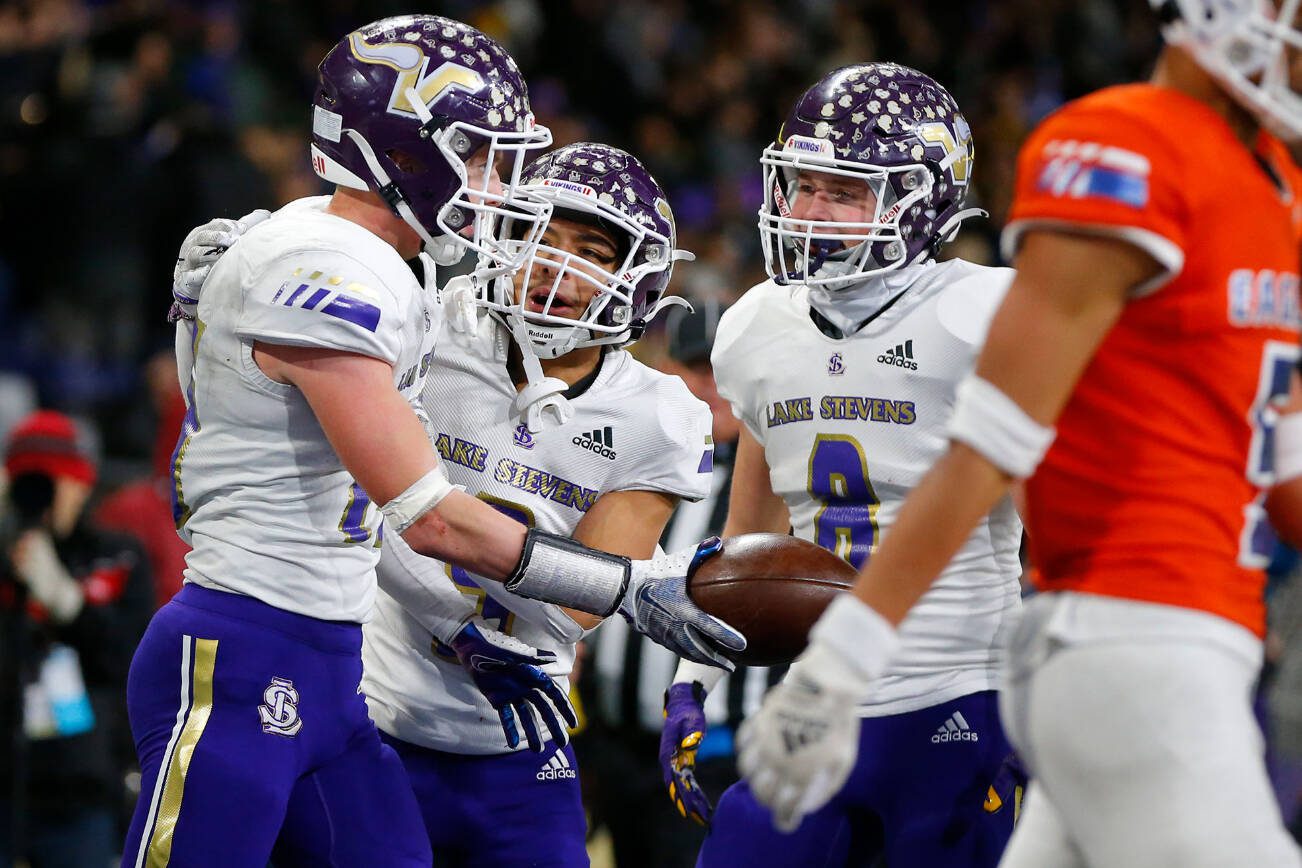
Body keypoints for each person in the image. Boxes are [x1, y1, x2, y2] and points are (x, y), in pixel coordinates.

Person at [122, 16, 742, 868]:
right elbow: (431, 520)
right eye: (482, 156)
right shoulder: (333, 277)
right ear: (407, 152)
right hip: (243, 639)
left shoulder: (379, 268)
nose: (501, 190)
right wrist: (630, 586)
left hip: (332, 663)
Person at [737, 4, 1302, 866]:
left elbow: (1280, 449)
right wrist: (839, 661)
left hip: (1191, 631)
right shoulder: (1123, 144)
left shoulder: (1274, 181)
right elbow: (993, 442)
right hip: (1132, 634)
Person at [657, 63, 1027, 867]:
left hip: (958, 692)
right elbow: (749, 530)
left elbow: (1066, 524)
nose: (812, 212)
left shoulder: (986, 315)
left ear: (919, 202)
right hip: (818, 696)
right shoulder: (757, 326)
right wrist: (696, 675)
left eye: (846, 192)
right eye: (802, 185)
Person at [580, 298, 786, 868]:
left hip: (721, 746)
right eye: (700, 369)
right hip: (616, 744)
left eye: (727, 375)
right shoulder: (625, 460)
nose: (716, 388)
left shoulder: (778, 483)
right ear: (668, 369)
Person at [0, 410, 154, 867]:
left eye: (55, 482)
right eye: (29, 483)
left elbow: (129, 660)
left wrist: (66, 600)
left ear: (83, 484)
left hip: (81, 791)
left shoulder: (118, 556)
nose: (42, 498)